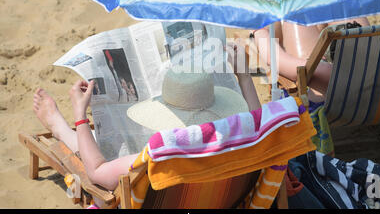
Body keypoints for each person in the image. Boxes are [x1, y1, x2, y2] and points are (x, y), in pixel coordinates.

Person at [32, 42, 260, 195]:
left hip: (163, 189)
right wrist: (245, 77)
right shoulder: (244, 140)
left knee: (103, 151)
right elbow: (258, 121)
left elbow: (98, 171)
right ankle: (64, 130)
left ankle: (61, 129)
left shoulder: (160, 155)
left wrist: (80, 115)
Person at [251, 18, 369, 103]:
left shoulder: (328, 71)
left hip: (328, 98)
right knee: (341, 4)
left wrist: (259, 32)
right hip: (372, 91)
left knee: (294, 15)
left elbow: (273, 58)